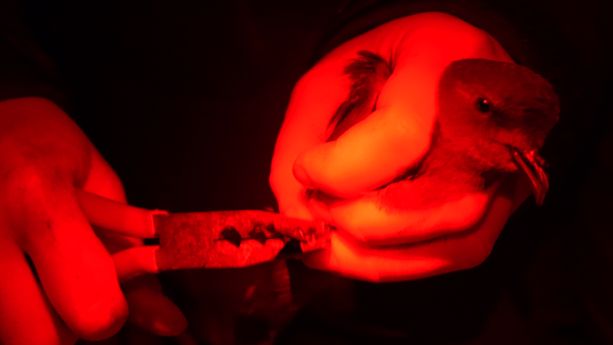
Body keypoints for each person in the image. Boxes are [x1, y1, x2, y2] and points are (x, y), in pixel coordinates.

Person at [0, 1, 610, 344]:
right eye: (487, 115)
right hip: (115, 136)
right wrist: (12, 91)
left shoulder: (510, 155)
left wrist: (508, 25)